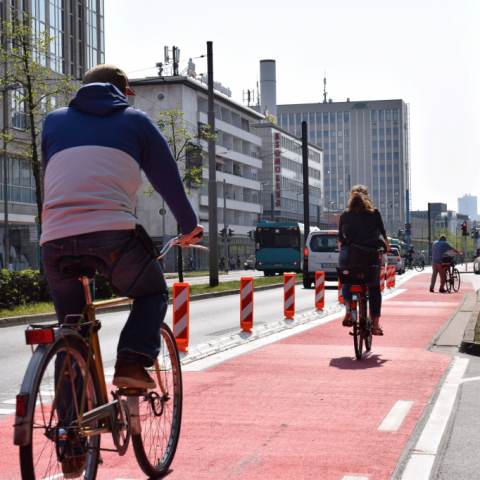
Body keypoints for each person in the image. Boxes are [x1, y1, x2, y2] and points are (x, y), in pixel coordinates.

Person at [41, 64, 203, 477]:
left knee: (71, 329)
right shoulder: (137, 120)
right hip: (113, 238)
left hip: (55, 240)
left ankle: (72, 449)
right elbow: (168, 180)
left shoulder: (53, 121)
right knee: (152, 292)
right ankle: (132, 361)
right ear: (125, 93)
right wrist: (189, 227)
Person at [338, 185, 391, 336]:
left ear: (351, 198)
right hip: (371, 256)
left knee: (346, 278)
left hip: (350, 255)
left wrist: (341, 252)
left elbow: (341, 240)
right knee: (374, 287)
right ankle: (375, 325)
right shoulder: (374, 214)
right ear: (367, 197)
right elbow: (382, 233)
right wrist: (387, 249)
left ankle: (348, 309)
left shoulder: (345, 214)